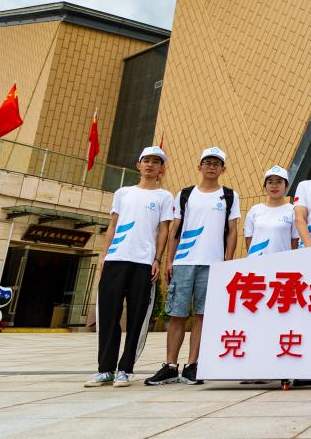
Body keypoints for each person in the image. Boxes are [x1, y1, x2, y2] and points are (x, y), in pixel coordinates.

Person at [145, 146, 240, 386]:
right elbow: (175, 229)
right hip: (184, 262)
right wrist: (169, 260)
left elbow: (232, 231)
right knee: (177, 314)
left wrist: (228, 260)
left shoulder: (229, 196)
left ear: (223, 169)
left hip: (213, 264)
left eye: (216, 163)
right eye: (207, 163)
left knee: (202, 315)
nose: (211, 167)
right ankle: (170, 365)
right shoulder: (186, 194)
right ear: (199, 167)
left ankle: (192, 365)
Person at [85, 146, 173, 388]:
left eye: (156, 162)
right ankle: (105, 369)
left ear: (161, 169)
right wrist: (104, 256)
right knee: (108, 315)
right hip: (116, 259)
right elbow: (112, 225)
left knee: (137, 318)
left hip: (143, 264)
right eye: (146, 160)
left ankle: (125, 369)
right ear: (138, 165)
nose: (150, 165)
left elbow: (164, 230)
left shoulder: (164, 197)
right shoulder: (123, 193)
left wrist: (157, 259)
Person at [245, 165, 298, 257]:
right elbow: (248, 238)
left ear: (286, 186)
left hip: (282, 261)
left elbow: (295, 241)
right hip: (257, 262)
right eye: (270, 182)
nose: (274, 186)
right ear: (265, 186)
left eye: (279, 182)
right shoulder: (254, 210)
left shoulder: (293, 211)